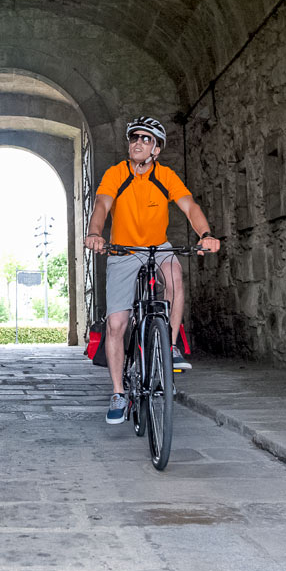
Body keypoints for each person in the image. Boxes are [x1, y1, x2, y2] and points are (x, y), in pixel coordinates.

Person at [84, 115, 220, 424]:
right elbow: (102, 206)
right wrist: (95, 234)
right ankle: (119, 392)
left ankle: (169, 346)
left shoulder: (166, 176)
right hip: (122, 251)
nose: (138, 143)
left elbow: (190, 207)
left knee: (175, 277)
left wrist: (206, 235)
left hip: (158, 248)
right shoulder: (117, 174)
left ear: (156, 149)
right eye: (135, 137)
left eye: (147, 139)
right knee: (117, 323)